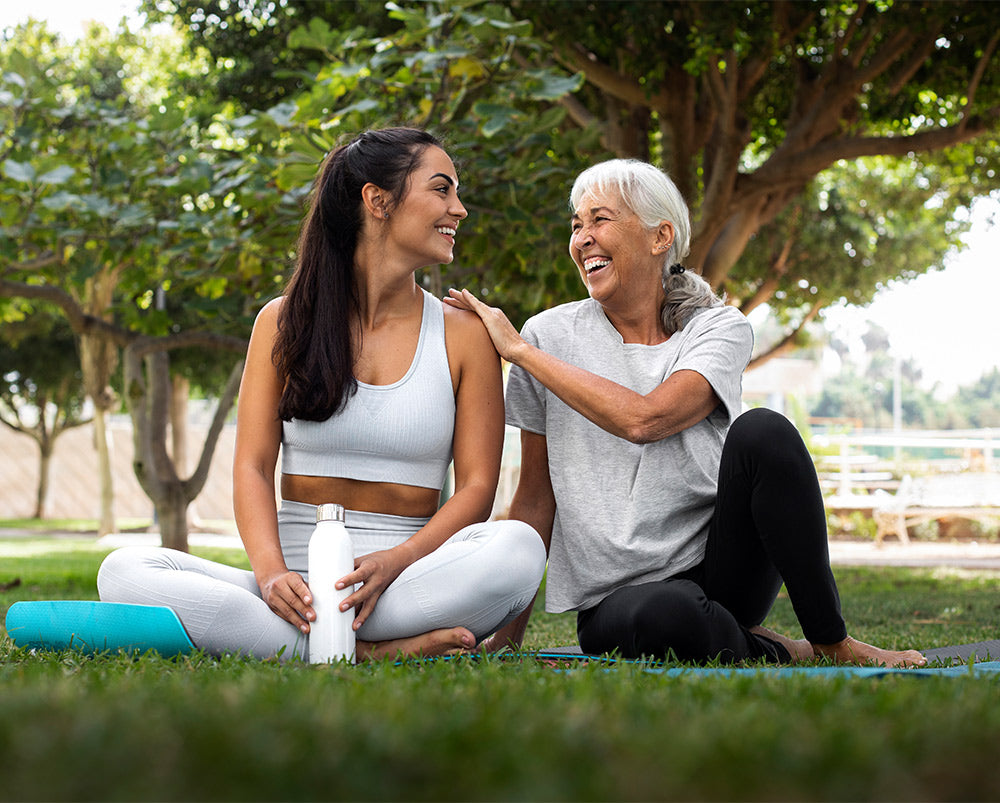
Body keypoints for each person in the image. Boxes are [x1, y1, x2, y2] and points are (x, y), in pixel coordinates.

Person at [446, 158, 926, 667]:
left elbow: (645, 420)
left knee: (765, 431)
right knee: (668, 616)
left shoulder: (717, 329)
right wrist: (508, 636)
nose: (582, 238)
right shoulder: (548, 335)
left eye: (600, 219)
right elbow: (536, 498)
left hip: (722, 569)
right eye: (576, 225)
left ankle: (831, 642)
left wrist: (520, 354)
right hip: (619, 598)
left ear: (660, 237)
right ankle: (782, 648)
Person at [98, 127, 546, 662]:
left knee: (518, 549)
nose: (460, 209)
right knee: (123, 572)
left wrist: (394, 562)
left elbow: (477, 490)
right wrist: (269, 575)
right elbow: (253, 466)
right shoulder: (281, 322)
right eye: (442, 190)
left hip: (404, 583)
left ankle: (303, 645)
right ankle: (371, 653)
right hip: (293, 589)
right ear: (378, 200)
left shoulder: (464, 333)